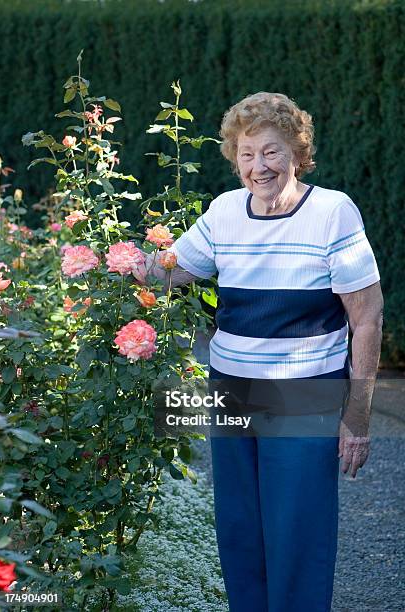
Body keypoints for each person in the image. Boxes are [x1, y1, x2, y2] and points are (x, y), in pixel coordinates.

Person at [145, 92, 383, 612]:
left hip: (304, 393)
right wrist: (109, 259)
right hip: (229, 389)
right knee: (239, 529)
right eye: (247, 153)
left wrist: (357, 418)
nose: (259, 166)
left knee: (297, 532)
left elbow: (366, 318)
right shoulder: (225, 210)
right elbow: (172, 269)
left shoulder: (332, 212)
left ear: (297, 153)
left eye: (272, 152)